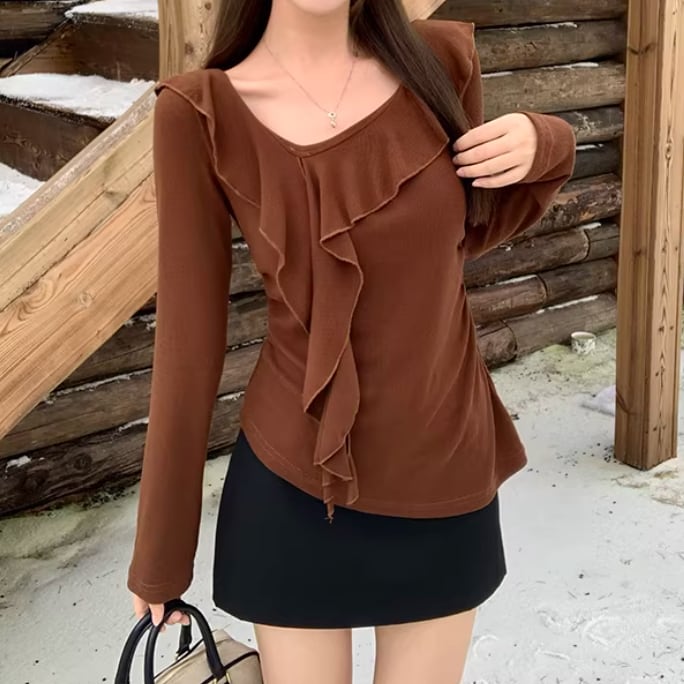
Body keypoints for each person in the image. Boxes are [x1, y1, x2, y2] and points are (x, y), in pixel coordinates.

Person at [126, 1, 576, 682]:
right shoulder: (199, 112)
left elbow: (453, 240)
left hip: (444, 472)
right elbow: (189, 344)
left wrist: (546, 143)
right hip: (293, 486)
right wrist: (160, 554)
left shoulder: (439, 63)